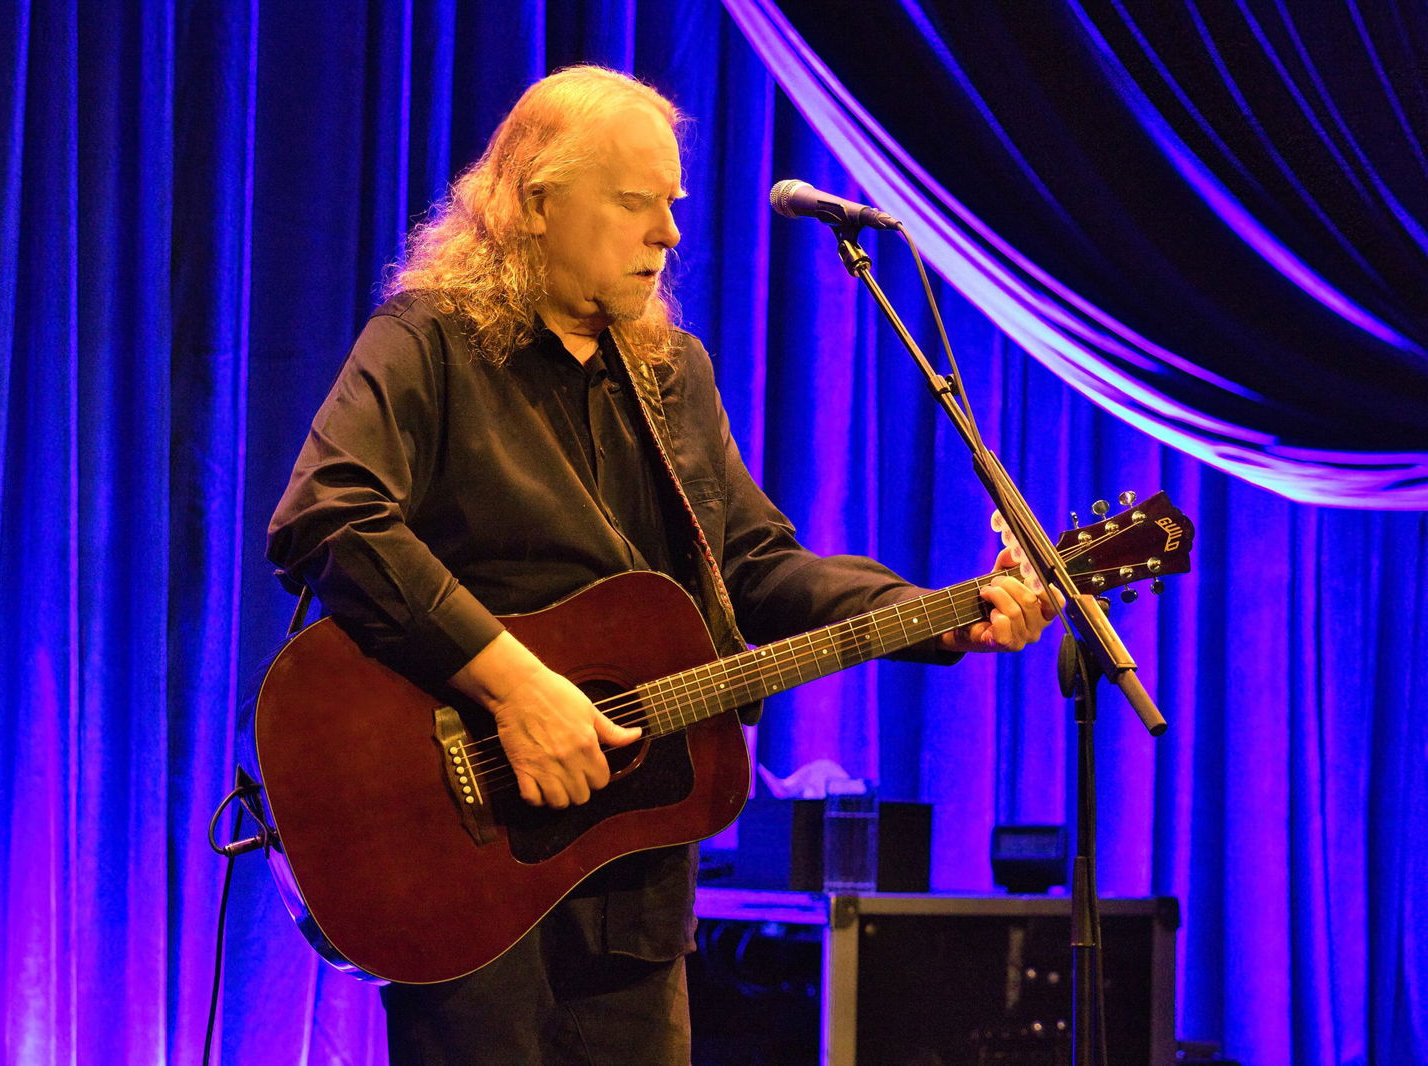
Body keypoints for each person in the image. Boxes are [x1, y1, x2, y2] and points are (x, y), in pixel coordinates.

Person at [267, 65, 1055, 1066]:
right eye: (637, 202)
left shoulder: (671, 373)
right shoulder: (430, 342)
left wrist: (943, 612)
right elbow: (328, 514)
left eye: (673, 203)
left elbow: (755, 568)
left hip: (635, 885)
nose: (670, 234)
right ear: (537, 204)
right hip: (466, 866)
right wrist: (517, 689)